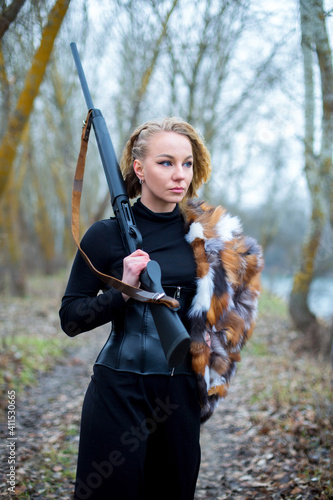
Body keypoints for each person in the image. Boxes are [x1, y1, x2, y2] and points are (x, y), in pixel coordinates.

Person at [59, 117, 263, 500]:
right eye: (165, 162)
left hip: (178, 394)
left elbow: (233, 313)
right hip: (116, 389)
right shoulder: (106, 235)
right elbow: (70, 318)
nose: (179, 174)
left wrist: (212, 367)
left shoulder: (207, 239)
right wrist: (123, 290)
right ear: (139, 168)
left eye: (186, 163)